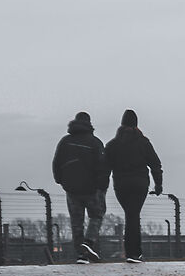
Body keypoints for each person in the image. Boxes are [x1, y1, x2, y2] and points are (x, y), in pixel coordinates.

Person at [103, 109, 164, 262]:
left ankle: (132, 252)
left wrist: (102, 187)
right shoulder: (143, 142)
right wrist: (158, 185)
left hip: (121, 186)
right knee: (133, 215)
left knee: (130, 215)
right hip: (139, 184)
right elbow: (155, 164)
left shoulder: (112, 144)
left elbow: (104, 168)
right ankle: (134, 253)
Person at [51, 112, 109, 261]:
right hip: (92, 189)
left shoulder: (65, 142)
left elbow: (56, 163)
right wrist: (102, 187)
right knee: (96, 216)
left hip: (72, 189)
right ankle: (88, 243)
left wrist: (61, 181)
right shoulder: (95, 142)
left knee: (76, 222)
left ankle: (80, 255)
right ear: (89, 124)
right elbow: (103, 166)